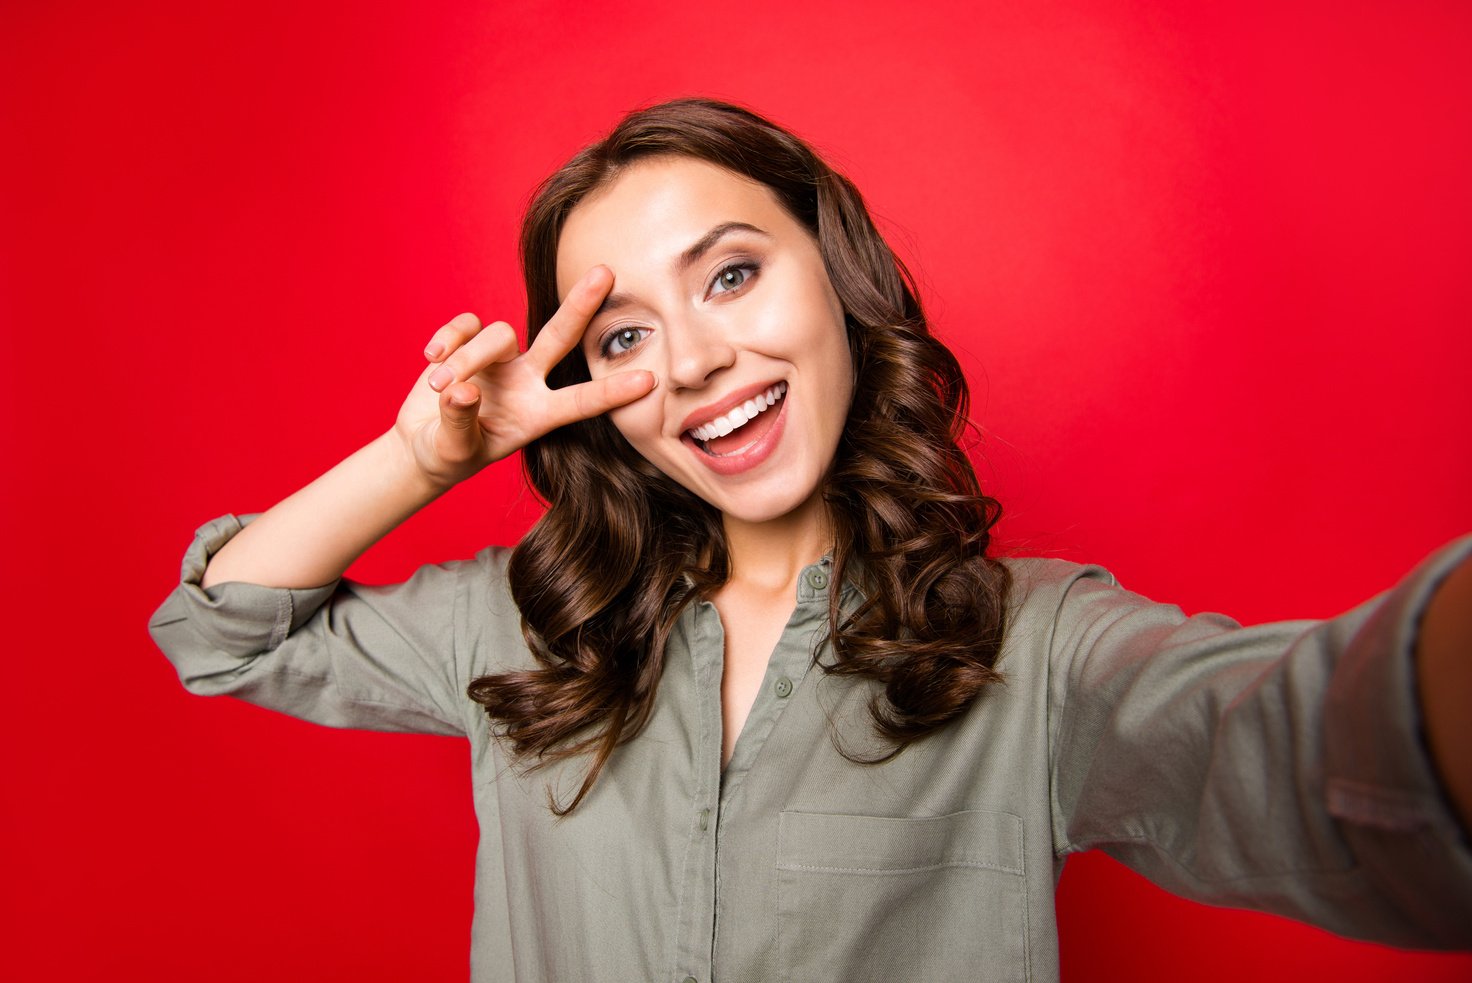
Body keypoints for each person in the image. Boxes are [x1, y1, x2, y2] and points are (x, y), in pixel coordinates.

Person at [149, 98, 1472, 982]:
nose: (697, 359)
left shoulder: (1037, 649)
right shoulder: (522, 625)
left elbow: (1305, 750)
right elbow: (219, 631)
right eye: (624, 336)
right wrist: (425, 457)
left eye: (732, 274)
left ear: (837, 281)